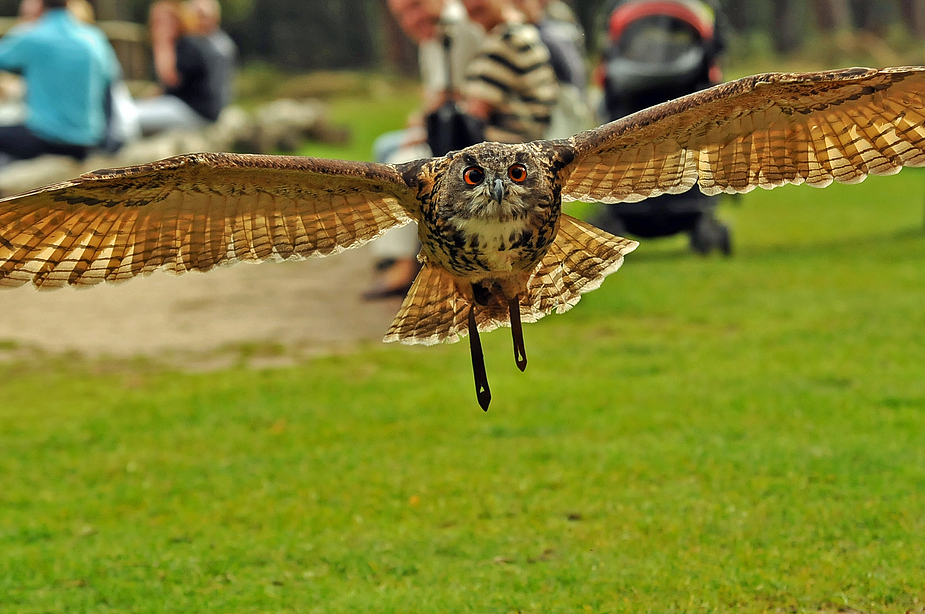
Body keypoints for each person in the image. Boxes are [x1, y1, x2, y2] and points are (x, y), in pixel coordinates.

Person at [364, 0, 484, 300]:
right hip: (446, 127)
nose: (411, 19)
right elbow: (434, 94)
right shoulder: (432, 38)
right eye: (402, 14)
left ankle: (405, 264)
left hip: (469, 134)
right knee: (386, 147)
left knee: (399, 163)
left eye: (416, 6)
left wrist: (421, 124)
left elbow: (459, 96)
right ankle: (407, 249)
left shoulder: (460, 29)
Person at [0, 0, 121, 163]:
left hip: (49, 139)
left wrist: (23, 25)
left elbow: (4, 58)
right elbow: (109, 80)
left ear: (39, 4)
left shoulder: (35, 37)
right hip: (90, 140)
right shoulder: (94, 38)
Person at [461, 0, 559, 144]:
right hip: (529, 144)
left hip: (509, 151)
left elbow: (476, 110)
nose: (471, 4)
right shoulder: (522, 32)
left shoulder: (507, 41)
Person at [135, 0, 236, 135]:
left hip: (198, 112)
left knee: (132, 117)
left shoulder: (192, 45)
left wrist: (162, 45)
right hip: (188, 107)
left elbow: (171, 81)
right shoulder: (192, 43)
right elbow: (166, 89)